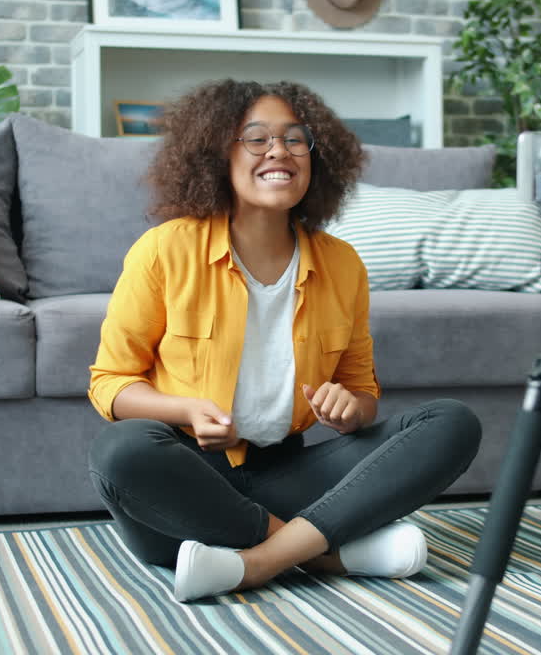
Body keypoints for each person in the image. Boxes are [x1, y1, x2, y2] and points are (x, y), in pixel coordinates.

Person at [86, 79, 482, 603]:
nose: (279, 151)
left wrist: (351, 410)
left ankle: (255, 564)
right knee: (120, 452)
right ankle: (325, 555)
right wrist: (185, 410)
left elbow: (362, 393)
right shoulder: (164, 250)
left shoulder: (342, 264)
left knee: (451, 422)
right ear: (218, 156)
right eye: (256, 139)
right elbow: (110, 383)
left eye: (296, 139)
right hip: (187, 489)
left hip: (289, 477)